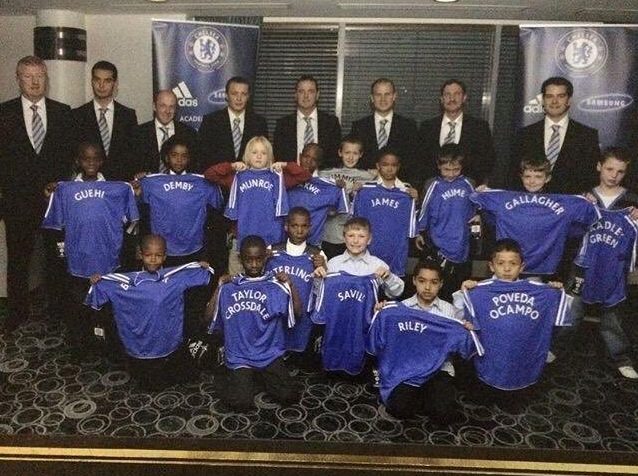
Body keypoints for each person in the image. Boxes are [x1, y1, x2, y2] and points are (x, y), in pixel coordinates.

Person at [0, 55, 75, 332]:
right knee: (18, 260)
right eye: (28, 76)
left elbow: (69, 157)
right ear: (17, 79)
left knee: (57, 258)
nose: (34, 82)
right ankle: (17, 311)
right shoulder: (3, 113)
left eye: (39, 76)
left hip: (54, 202)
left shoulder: (63, 112)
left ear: (47, 78)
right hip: (17, 203)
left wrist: (59, 183)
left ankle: (57, 310)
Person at [41, 142, 139, 353]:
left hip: (108, 257)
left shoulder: (115, 189)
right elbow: (55, 226)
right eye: (86, 158)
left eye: (96, 158)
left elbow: (131, 221)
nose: (91, 162)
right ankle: (80, 344)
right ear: (78, 161)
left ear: (102, 161)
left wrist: (130, 190)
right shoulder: (65, 189)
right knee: (79, 305)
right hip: (78, 258)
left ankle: (110, 343)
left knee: (108, 305)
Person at [456, 239, 571, 410]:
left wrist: (555, 291)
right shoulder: (479, 290)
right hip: (490, 358)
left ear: (522, 267)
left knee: (513, 404)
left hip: (521, 359)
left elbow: (562, 315)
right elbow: (460, 317)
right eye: (501, 263)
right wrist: (464, 290)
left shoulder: (540, 291)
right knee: (481, 397)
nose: (507, 269)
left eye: (513, 264)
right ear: (491, 266)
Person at [86, 235, 214, 389]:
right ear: (141, 255)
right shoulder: (124, 280)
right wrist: (99, 281)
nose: (153, 259)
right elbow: (97, 300)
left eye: (158, 255)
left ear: (165, 256)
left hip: (171, 344)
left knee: (188, 376)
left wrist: (201, 266)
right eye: (148, 255)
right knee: (150, 384)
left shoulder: (175, 276)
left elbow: (205, 275)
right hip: (139, 348)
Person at [367, 260, 480, 423]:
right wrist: (380, 313)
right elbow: (383, 336)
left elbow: (461, 344)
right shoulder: (401, 308)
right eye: (422, 281)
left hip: (439, 369)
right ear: (414, 281)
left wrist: (465, 329)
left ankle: (429, 397)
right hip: (407, 368)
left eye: (433, 282)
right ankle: (421, 397)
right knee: (399, 409)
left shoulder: (449, 311)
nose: (427, 287)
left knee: (443, 414)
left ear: (441, 284)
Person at [563, 148, 638, 379]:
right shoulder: (584, 196)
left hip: (615, 266)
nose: (614, 175)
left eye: (620, 171)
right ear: (599, 167)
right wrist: (580, 209)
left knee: (613, 314)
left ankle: (621, 357)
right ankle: (555, 347)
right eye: (609, 169)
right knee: (572, 308)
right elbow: (570, 230)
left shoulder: (631, 201)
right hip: (583, 264)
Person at [207, 235, 303, 412]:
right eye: (248, 259)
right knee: (241, 403)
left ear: (265, 258)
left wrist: (291, 285)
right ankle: (224, 376)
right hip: (240, 356)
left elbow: (297, 313)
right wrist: (218, 287)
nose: (253, 264)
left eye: (258, 259)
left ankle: (257, 378)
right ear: (240, 259)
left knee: (289, 396)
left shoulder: (275, 286)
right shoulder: (229, 287)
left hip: (268, 354)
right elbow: (207, 318)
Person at [204, 136, 311, 274]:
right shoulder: (237, 176)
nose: (259, 156)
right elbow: (210, 174)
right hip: (242, 240)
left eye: (263, 153)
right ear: (247, 155)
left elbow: (305, 176)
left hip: (270, 243)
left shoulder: (277, 176)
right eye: (254, 152)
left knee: (270, 284)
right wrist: (231, 166)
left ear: (269, 156)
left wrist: (285, 165)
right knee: (238, 283)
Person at [469, 175, 600, 278]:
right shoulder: (506, 196)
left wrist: (587, 201)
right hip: (508, 263)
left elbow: (586, 219)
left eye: (538, 177)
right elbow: (478, 201)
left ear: (547, 178)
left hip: (546, 265)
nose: (532, 181)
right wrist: (482, 192)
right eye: (528, 177)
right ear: (521, 177)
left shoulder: (562, 199)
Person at [510, 76, 600, 194]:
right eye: (549, 96)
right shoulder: (524, 134)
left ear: (569, 100)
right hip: (529, 206)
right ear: (543, 100)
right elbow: (512, 175)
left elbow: (591, 177)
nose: (554, 101)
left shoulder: (587, 136)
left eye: (561, 96)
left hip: (569, 207)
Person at [416, 144, 477, 300]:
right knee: (436, 284)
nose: (451, 174)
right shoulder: (432, 184)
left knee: (459, 288)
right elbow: (423, 209)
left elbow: (478, 207)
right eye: (446, 170)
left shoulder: (469, 183)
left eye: (456, 170)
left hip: (462, 241)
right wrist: (419, 232)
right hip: (438, 241)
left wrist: (479, 215)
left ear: (462, 166)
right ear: (438, 166)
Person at [266, 207, 327, 354]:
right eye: (294, 226)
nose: (299, 231)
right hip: (276, 314)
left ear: (310, 228)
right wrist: (264, 261)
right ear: (286, 226)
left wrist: (323, 267)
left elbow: (323, 289)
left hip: (303, 316)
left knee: (298, 351)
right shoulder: (272, 251)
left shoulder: (317, 255)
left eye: (304, 226)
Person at [351, 149, 418, 277]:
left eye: (393, 165)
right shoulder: (365, 190)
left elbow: (412, 228)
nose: (389, 169)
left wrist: (415, 200)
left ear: (398, 167)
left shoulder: (406, 192)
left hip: (395, 252)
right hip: (370, 250)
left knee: (392, 292)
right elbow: (354, 221)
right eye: (385, 165)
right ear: (378, 166)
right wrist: (355, 193)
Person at [419, 79, 496, 189]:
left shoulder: (479, 127)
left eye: (457, 94)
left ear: (464, 97)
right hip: (434, 191)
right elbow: (421, 162)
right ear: (441, 99)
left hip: (469, 191)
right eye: (447, 94)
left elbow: (487, 160)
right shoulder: (427, 127)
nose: (452, 98)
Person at [72, 61, 138, 180]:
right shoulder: (77, 115)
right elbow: (73, 155)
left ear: (115, 83)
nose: (101, 85)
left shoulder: (128, 116)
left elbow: (133, 156)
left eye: (107, 81)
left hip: (120, 185)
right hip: (88, 187)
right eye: (97, 80)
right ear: (92, 81)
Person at [318, 135, 376, 259]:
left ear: (361, 154)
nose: (350, 157)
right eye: (347, 152)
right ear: (340, 153)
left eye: (355, 153)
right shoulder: (326, 174)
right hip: (331, 234)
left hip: (356, 235)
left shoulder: (369, 176)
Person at [350, 78, 417, 175]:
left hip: (399, 186)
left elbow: (413, 162)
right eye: (378, 95)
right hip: (366, 186)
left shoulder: (409, 126)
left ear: (394, 96)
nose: (383, 99)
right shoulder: (359, 127)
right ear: (372, 98)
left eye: (387, 94)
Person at [198, 76, 268, 169]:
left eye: (243, 94)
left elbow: (265, 157)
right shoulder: (211, 121)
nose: (239, 98)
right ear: (226, 95)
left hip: (249, 180)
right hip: (218, 180)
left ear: (248, 97)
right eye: (234, 94)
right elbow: (202, 157)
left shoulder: (259, 123)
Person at [287, 143, 349, 247]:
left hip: (313, 244)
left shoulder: (330, 186)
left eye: (314, 159)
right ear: (300, 156)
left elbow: (342, 213)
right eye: (306, 157)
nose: (308, 162)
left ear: (319, 163)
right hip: (284, 243)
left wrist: (327, 212)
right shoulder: (285, 178)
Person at [327, 217, 404, 298]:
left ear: (369, 239)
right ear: (344, 238)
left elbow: (396, 293)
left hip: (368, 310)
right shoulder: (333, 264)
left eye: (361, 236)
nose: (355, 241)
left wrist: (389, 278)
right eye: (351, 235)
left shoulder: (378, 265)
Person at [273, 74, 341, 166]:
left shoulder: (331, 123)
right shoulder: (283, 125)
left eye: (311, 91)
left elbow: (335, 158)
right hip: (291, 177)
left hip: (322, 177)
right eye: (301, 91)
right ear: (295, 95)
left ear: (317, 95)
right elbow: (279, 158)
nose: (306, 96)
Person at [134, 90, 198, 174]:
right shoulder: (138, 133)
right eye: (163, 106)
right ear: (154, 106)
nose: (167, 111)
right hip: (148, 186)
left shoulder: (189, 133)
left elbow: (195, 166)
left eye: (171, 107)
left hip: (180, 185)